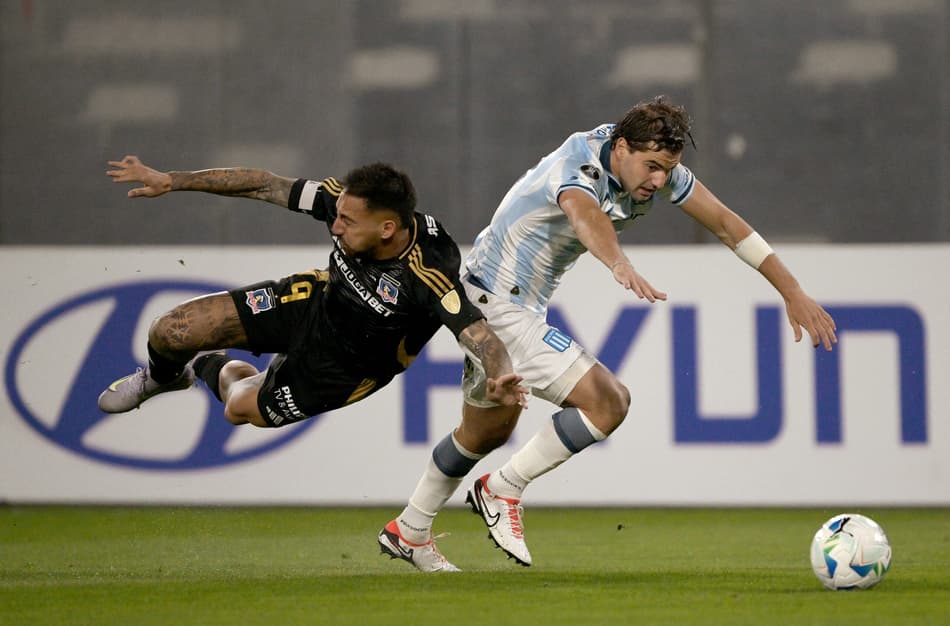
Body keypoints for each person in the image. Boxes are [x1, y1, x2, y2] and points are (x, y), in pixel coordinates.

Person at [381, 95, 838, 571]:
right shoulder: (578, 167)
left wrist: (792, 291)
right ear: (621, 147)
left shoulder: (652, 165)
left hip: (490, 300)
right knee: (607, 401)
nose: (659, 180)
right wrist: (617, 262)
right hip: (496, 304)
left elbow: (725, 222)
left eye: (668, 169)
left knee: (485, 431)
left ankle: (410, 529)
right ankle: (503, 488)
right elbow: (585, 215)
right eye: (652, 167)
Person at [96, 155, 528, 572]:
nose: (335, 226)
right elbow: (264, 183)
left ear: (387, 228)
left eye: (347, 222)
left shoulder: (428, 271)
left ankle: (208, 366)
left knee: (239, 407)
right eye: (336, 215)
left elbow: (479, 334)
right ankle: (162, 376)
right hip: (314, 302)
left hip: (348, 367)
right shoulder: (346, 201)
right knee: (172, 329)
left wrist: (500, 374)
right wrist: (172, 180)